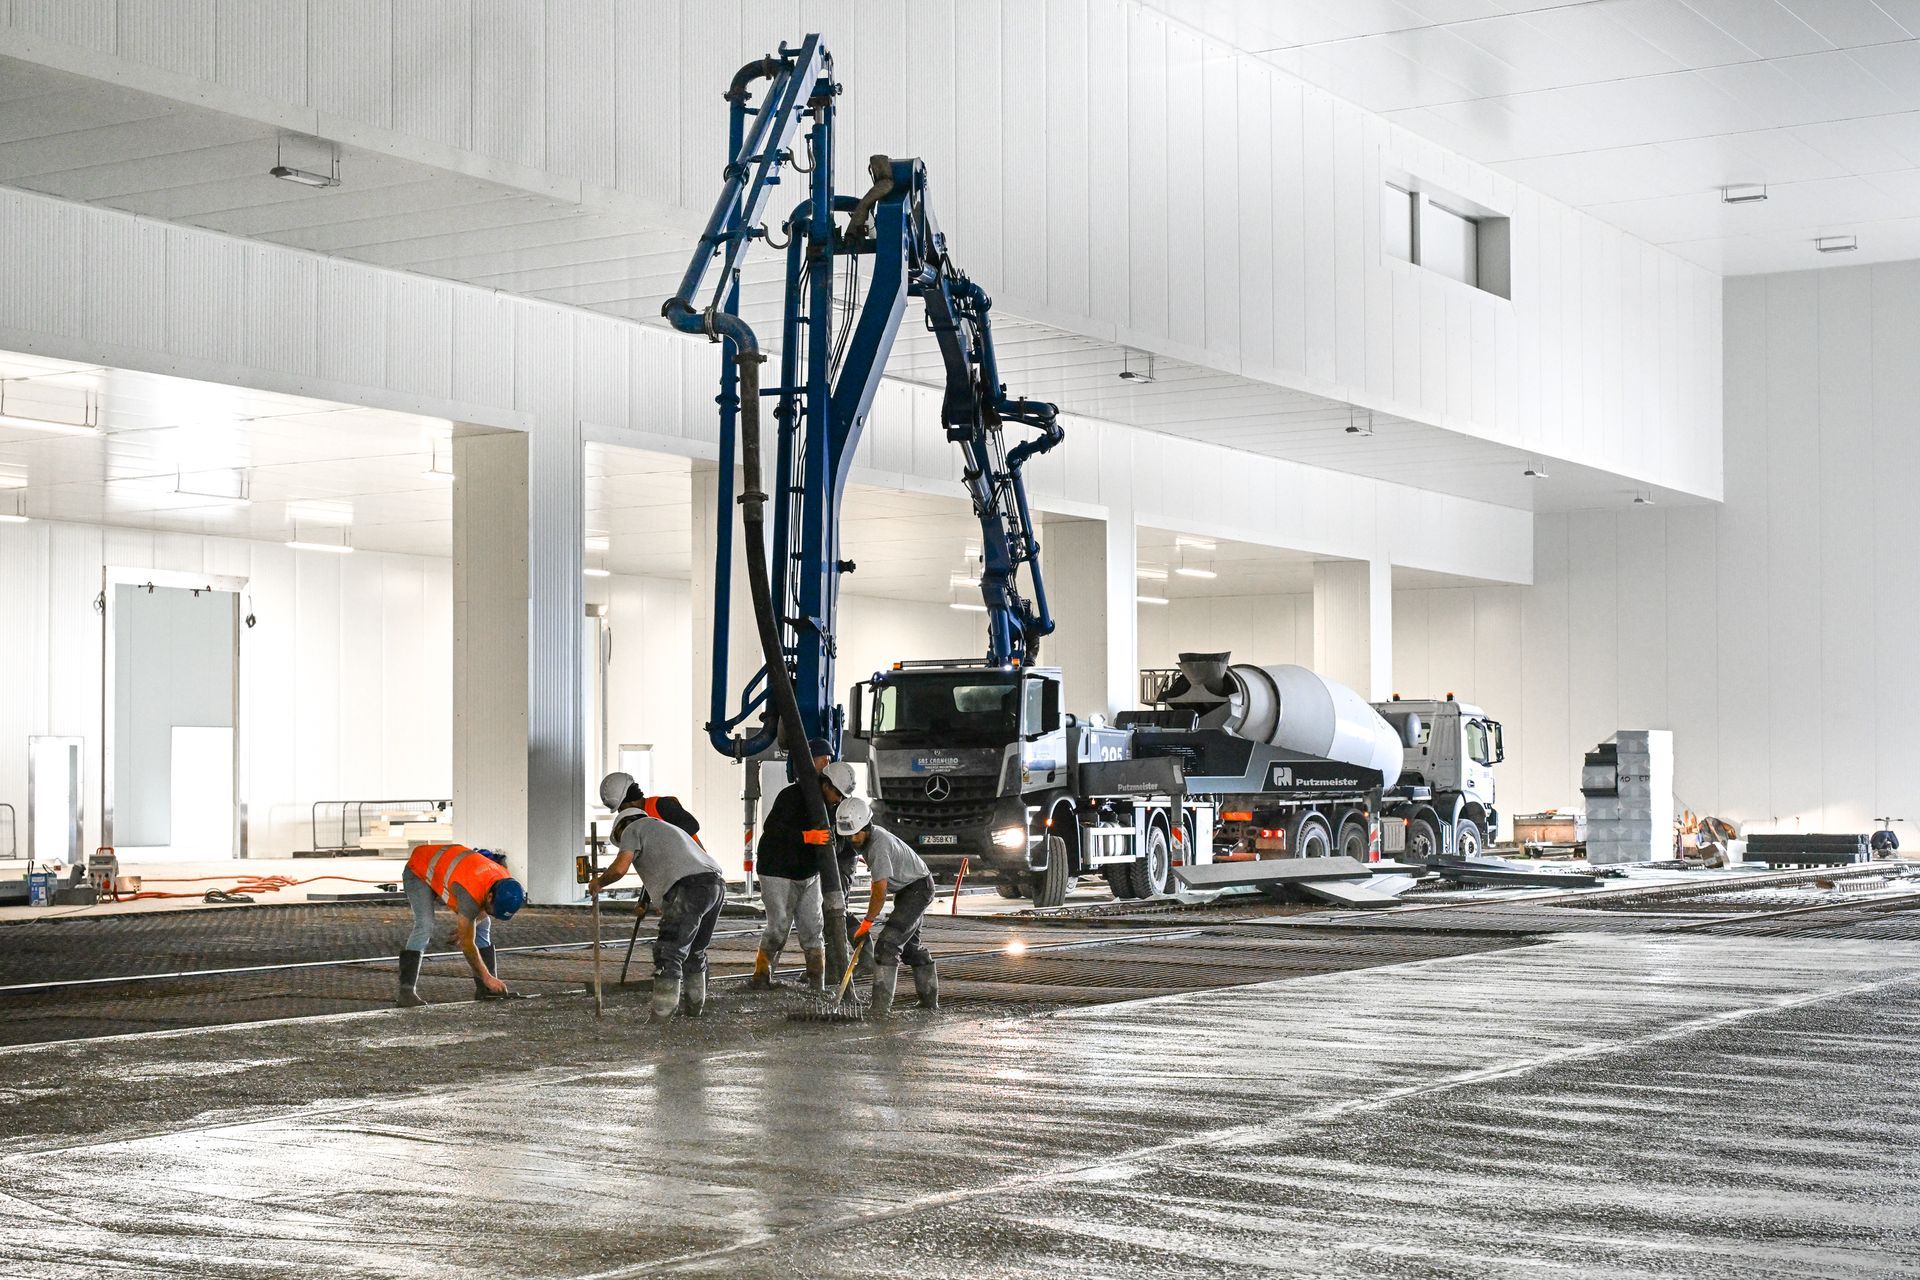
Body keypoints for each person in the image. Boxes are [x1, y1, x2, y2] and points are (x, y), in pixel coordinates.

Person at [586, 779, 729, 1020]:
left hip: (689, 888)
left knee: (669, 952)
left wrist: (598, 883)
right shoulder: (666, 828)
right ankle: (694, 1010)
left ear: (621, 826)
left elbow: (620, 869)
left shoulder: (632, 829)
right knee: (695, 951)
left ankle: (661, 1015)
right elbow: (670, 866)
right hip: (715, 885)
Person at [748, 740, 850, 991]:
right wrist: (807, 836)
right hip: (778, 872)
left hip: (808, 874)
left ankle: (817, 983)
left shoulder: (831, 805)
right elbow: (773, 829)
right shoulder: (792, 796)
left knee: (813, 927)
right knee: (779, 925)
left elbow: (838, 843)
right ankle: (761, 976)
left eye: (828, 759)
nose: (838, 799)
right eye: (822, 758)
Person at [835, 796, 938, 1018]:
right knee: (910, 949)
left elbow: (879, 891)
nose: (853, 840)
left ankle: (880, 1009)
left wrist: (867, 922)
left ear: (867, 826)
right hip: (907, 890)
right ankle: (929, 1003)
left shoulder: (878, 845)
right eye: (848, 836)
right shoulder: (863, 840)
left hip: (918, 890)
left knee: (888, 944)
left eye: (856, 834)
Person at [397, 842, 527, 1007]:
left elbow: (484, 911)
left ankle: (486, 990)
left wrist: (468, 926)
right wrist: (486, 976)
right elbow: (467, 944)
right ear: (490, 897)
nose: (492, 914)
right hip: (419, 869)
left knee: (483, 922)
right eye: (494, 911)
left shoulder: (502, 879)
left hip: (449, 868)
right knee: (425, 925)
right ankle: (406, 993)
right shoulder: (470, 891)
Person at [597, 771, 701, 842]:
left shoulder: (661, 805)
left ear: (629, 802)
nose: (620, 813)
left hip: (700, 867)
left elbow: (693, 825)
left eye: (620, 808)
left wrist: (662, 840)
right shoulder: (639, 821)